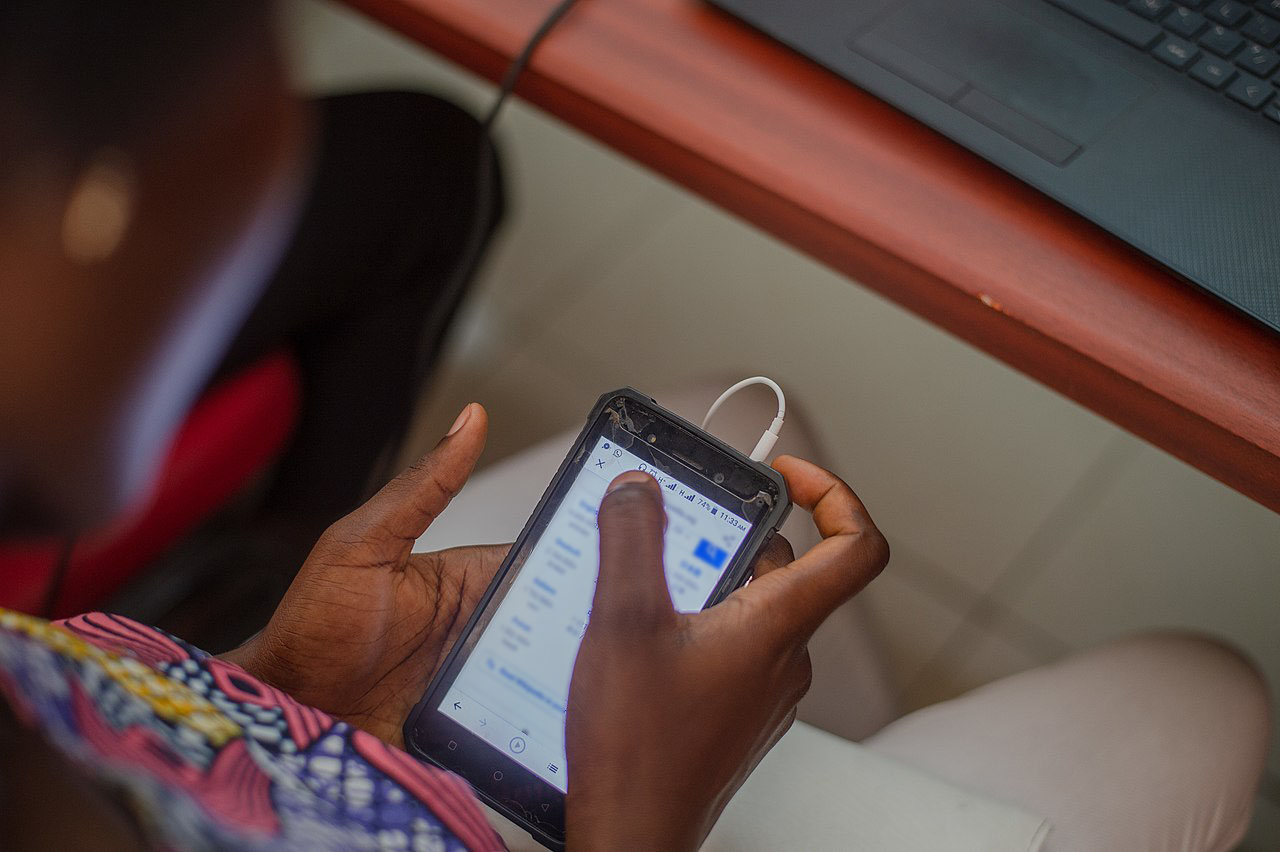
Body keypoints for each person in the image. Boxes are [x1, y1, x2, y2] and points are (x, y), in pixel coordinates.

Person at [0, 4, 1269, 851]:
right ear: (89, 208)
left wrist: (274, 683)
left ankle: (821, 723)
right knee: (1202, 695)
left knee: (715, 426)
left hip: (340, 752)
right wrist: (638, 812)